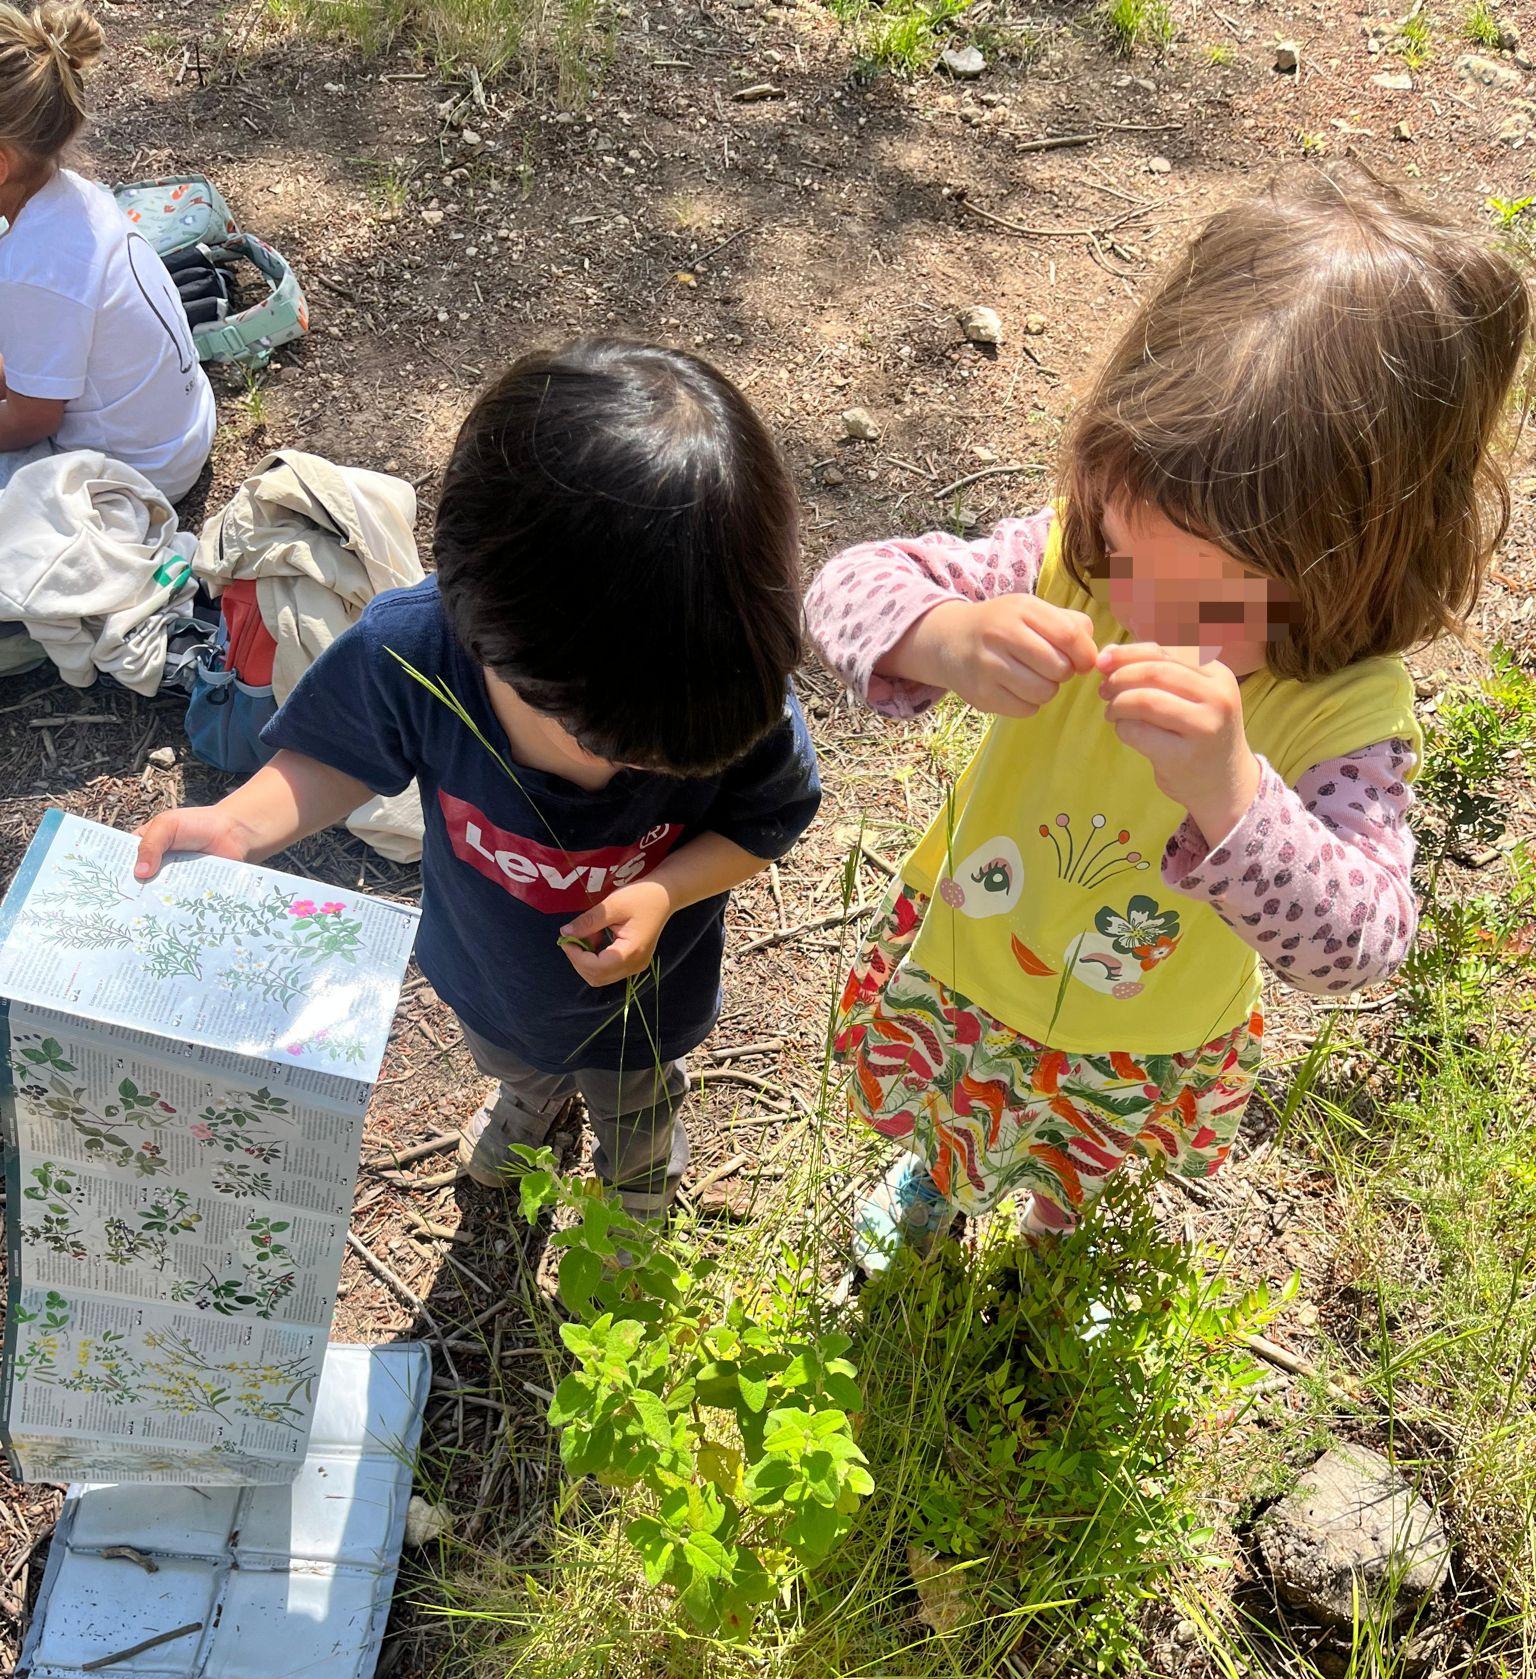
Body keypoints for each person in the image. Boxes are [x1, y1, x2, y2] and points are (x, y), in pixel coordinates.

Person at [806, 165, 1527, 1272]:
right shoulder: (1070, 562)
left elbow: (1362, 943)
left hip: (1142, 1028)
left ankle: (1056, 1242)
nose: (1142, 612)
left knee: (1083, 1160)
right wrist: (943, 637)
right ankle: (938, 1184)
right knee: (957, 1110)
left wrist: (1233, 791)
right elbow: (846, 588)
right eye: (1133, 557)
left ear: (1350, 571)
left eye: (1210, 601)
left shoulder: (1343, 709)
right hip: (974, 952)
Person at [134, 337, 820, 1217]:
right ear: (478, 619)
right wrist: (237, 825)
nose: (604, 764)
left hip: (647, 999)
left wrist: (666, 891)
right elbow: (333, 756)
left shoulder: (722, 686)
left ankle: (638, 1179)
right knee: (510, 1055)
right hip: (488, 973)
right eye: (578, 727)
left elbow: (768, 820)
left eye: (650, 759)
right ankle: (529, 1103)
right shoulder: (414, 653)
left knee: (638, 1098)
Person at [0, 1, 215, 499]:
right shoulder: (73, 197)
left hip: (137, 475)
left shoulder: (32, 268)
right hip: (180, 432)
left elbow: (32, 421)